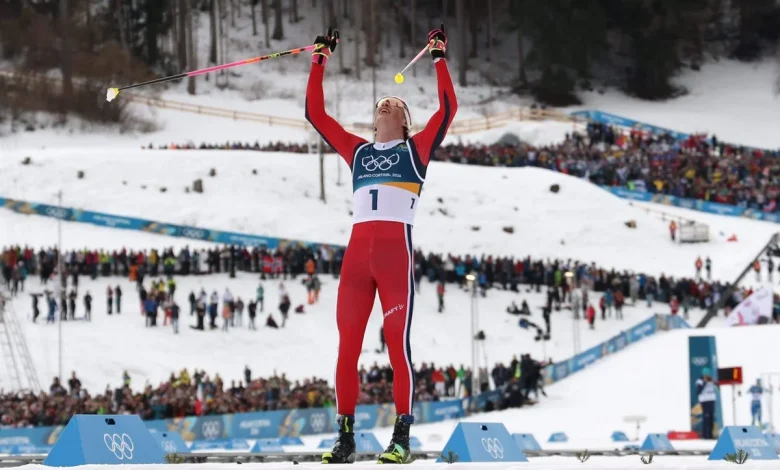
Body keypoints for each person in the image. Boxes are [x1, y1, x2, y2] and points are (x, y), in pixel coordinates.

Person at [306, 25, 457, 464]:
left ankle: (401, 437)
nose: (389, 103)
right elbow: (316, 114)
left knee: (397, 348)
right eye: (383, 104)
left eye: (398, 104)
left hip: (393, 259)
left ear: (407, 123)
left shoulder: (417, 151)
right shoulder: (357, 152)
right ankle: (346, 438)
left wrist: (439, 56)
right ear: (374, 120)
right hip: (356, 261)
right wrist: (320, 58)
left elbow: (448, 107)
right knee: (346, 349)